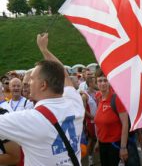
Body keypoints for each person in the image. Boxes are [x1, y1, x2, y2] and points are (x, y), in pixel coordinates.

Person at [0, 33, 85, 165]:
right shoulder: (75, 103)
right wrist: (44, 50)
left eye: (32, 79)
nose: (27, 83)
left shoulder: (29, 119)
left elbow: (64, 75)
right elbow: (65, 76)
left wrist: (43, 49)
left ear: (43, 85)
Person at [94, 70, 140, 166]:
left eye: (105, 80)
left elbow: (125, 124)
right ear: (96, 82)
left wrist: (123, 148)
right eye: (100, 80)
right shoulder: (98, 97)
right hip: (103, 144)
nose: (102, 83)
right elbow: (100, 123)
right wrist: (98, 141)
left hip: (115, 145)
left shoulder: (117, 99)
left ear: (109, 82)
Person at [81, 77, 97, 166]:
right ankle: (90, 159)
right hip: (90, 122)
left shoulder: (96, 93)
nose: (96, 84)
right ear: (90, 83)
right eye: (95, 82)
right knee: (91, 140)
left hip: (98, 120)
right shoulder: (85, 95)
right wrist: (92, 117)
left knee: (99, 139)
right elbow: (83, 109)